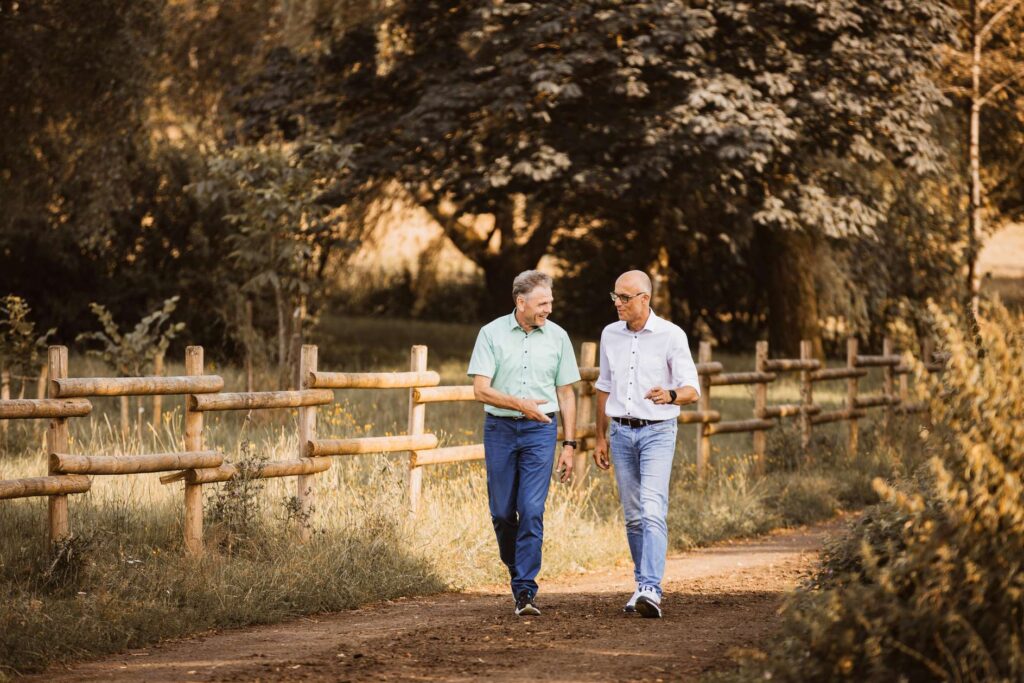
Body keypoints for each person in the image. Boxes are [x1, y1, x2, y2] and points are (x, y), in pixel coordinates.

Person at [468, 270, 581, 616]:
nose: (549, 308)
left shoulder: (559, 336)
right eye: (542, 302)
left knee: (531, 510)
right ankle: (518, 569)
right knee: (503, 512)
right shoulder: (491, 334)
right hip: (500, 430)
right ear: (521, 302)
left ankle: (525, 591)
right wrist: (521, 404)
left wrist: (570, 444)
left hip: (540, 431)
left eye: (550, 301)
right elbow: (481, 389)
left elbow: (566, 392)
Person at [593, 270, 700, 618]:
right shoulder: (610, 335)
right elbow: (604, 386)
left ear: (644, 298)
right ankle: (641, 585)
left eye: (625, 298)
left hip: (658, 432)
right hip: (620, 433)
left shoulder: (671, 335)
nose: (618, 304)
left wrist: (670, 394)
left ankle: (652, 587)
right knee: (634, 516)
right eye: (615, 297)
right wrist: (599, 437)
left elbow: (691, 389)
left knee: (653, 508)